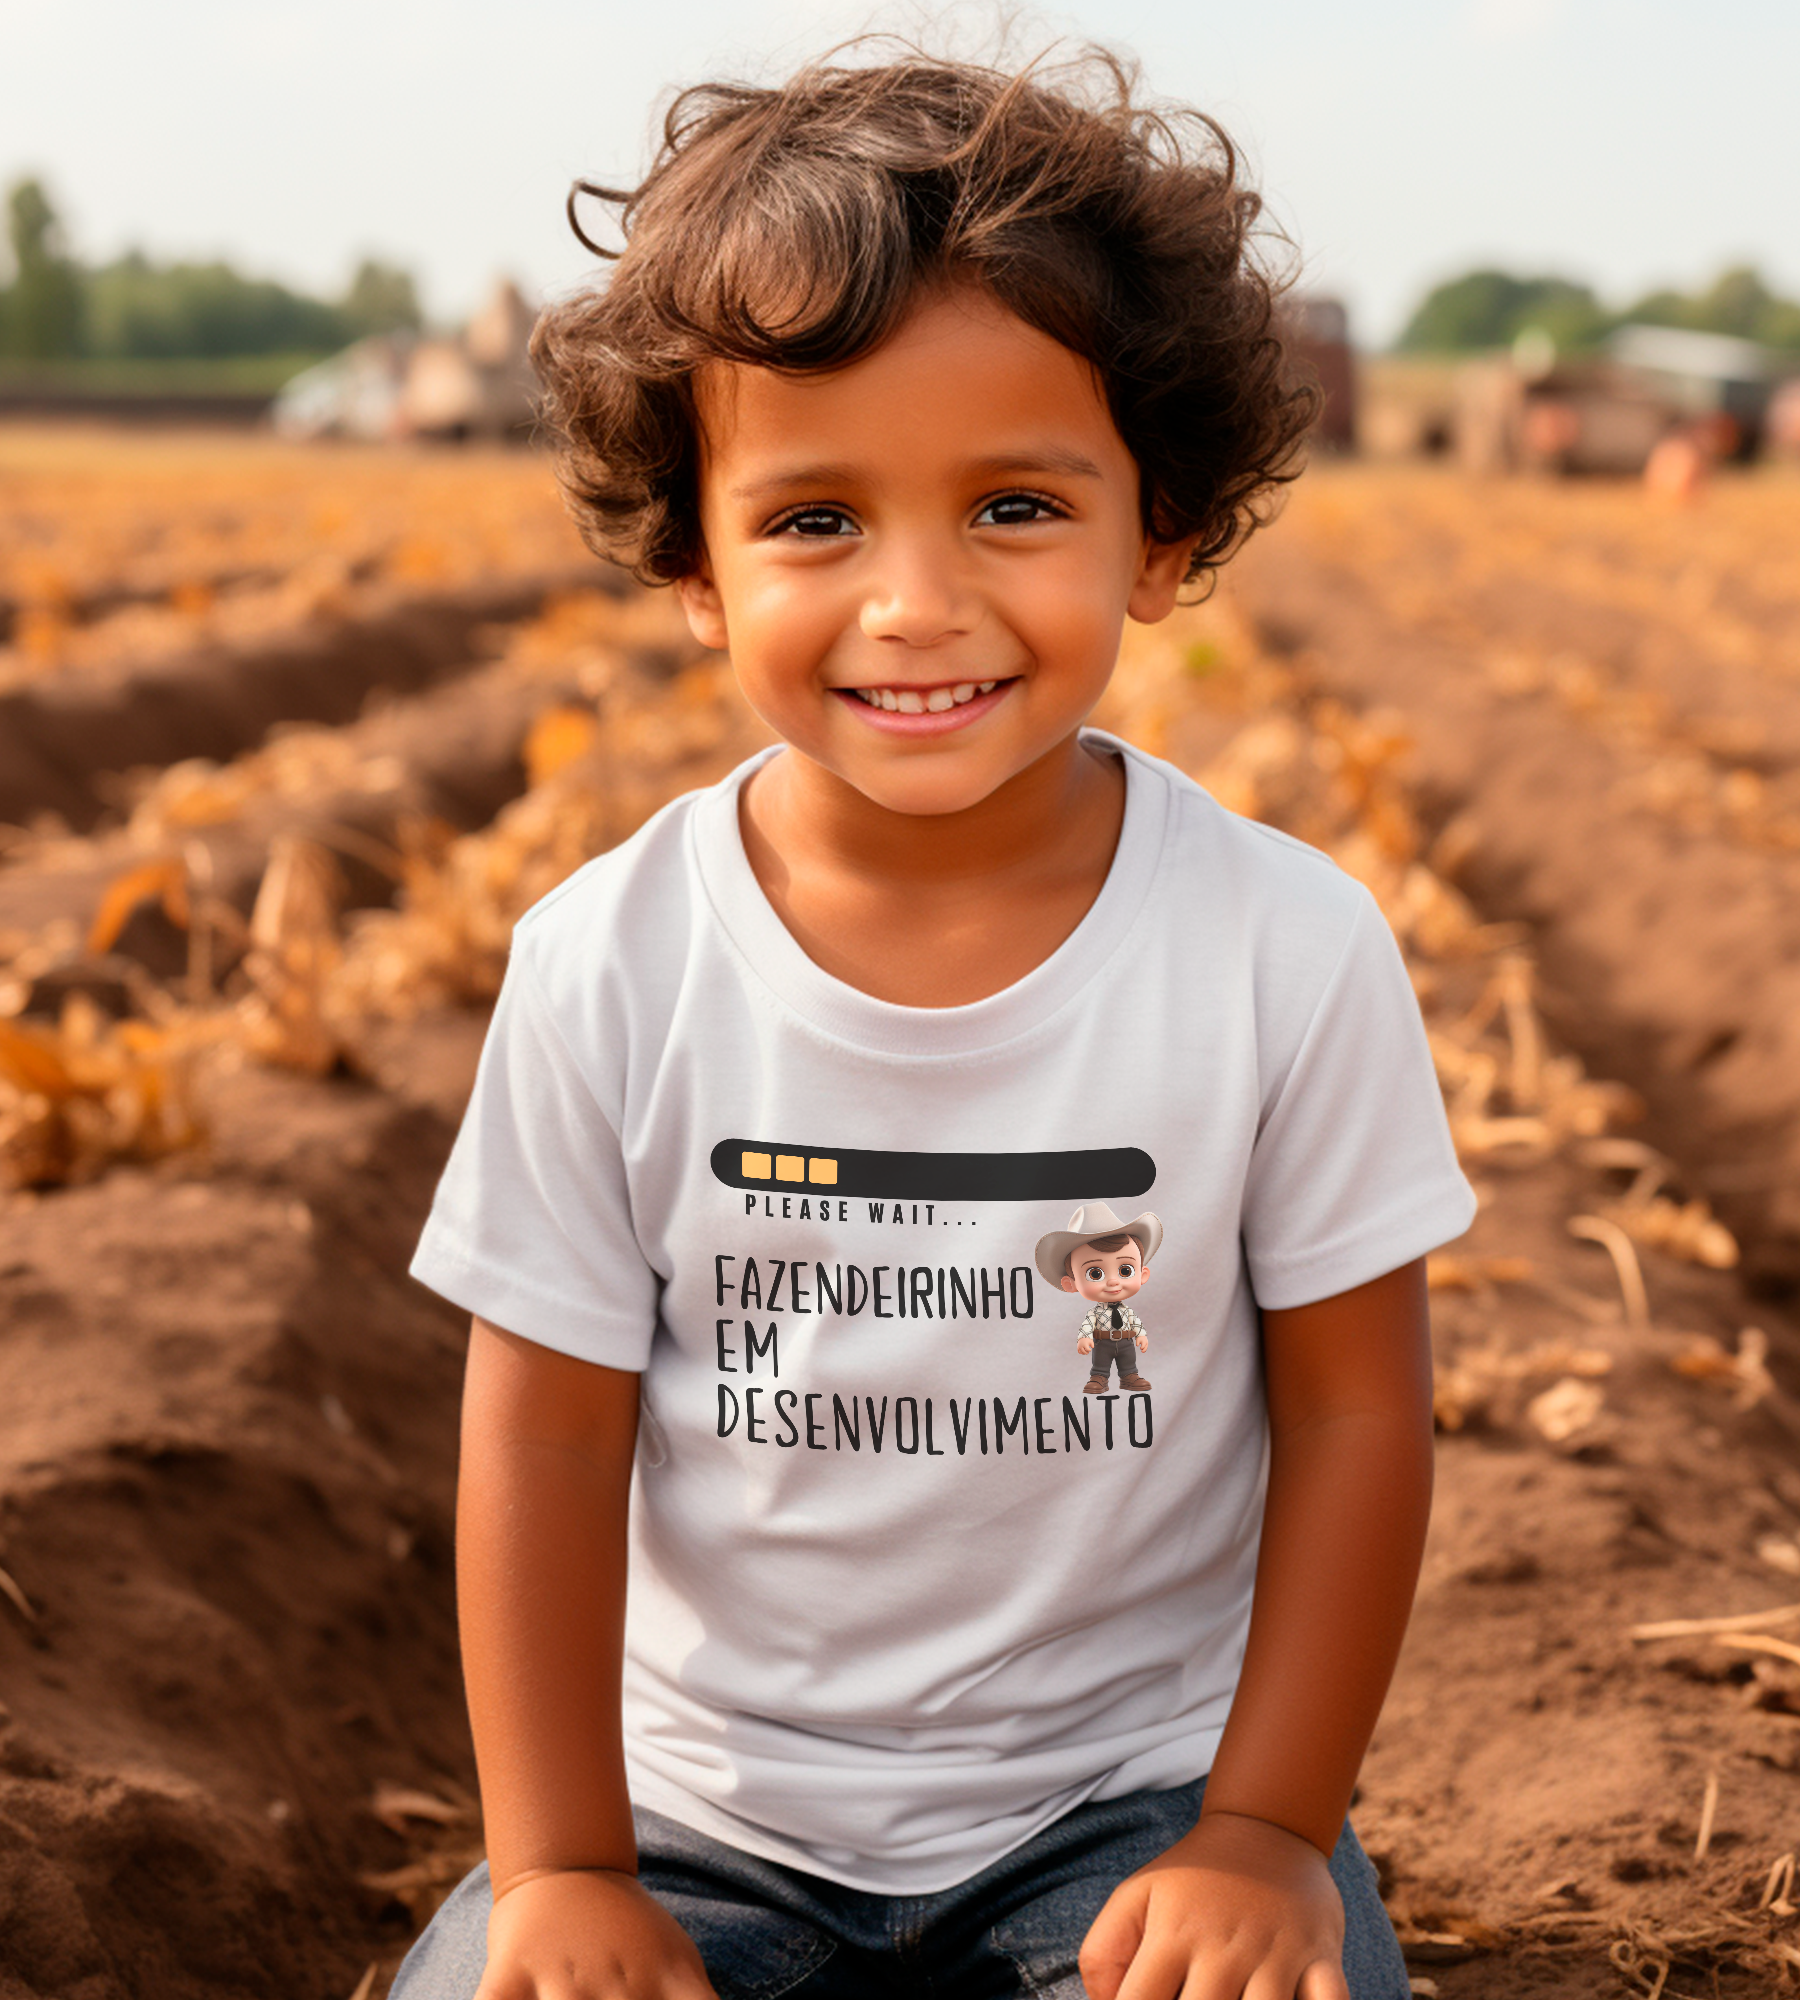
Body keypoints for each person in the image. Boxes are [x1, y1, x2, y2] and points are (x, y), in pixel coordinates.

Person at [396, 40, 1477, 2000]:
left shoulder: (1284, 953)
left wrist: (1264, 1829)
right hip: (701, 1819)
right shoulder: (606, 963)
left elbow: (1353, 1414)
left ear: (1160, 534)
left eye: (1011, 505)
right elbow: (541, 1443)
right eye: (816, 519)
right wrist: (558, 1864)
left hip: (1126, 1816)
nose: (914, 601)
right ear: (693, 563)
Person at [1038, 1201, 1159, 1393]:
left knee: (1129, 1363)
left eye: (1125, 1270)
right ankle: (1098, 1378)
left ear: (1142, 1274)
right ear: (1072, 1284)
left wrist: (1141, 1334)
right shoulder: (1095, 1313)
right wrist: (1084, 1338)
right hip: (1102, 1341)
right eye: (1095, 1273)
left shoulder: (1126, 1311)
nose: (1112, 1282)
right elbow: (1088, 1323)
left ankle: (1129, 1377)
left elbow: (1134, 1321)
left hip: (1126, 1341)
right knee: (1100, 1364)